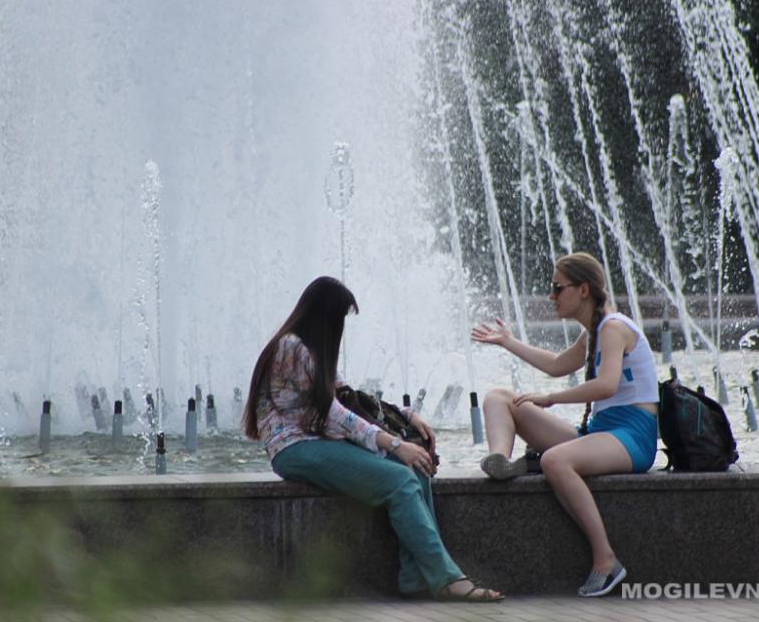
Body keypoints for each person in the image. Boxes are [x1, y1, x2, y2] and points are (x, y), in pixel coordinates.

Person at [243, 276, 503, 603]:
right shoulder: (291, 347)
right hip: (294, 449)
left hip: (317, 442)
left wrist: (407, 416)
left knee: (417, 466)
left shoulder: (310, 350)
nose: (340, 329)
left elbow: (353, 400)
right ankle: (448, 579)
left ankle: (414, 577)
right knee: (398, 478)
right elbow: (335, 414)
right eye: (339, 319)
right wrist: (394, 444)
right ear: (323, 316)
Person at [471, 252, 658, 598]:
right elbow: (557, 364)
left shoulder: (613, 328)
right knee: (500, 398)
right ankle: (501, 460)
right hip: (600, 432)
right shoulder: (594, 332)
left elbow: (607, 385)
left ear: (583, 290)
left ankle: (606, 561)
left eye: (557, 288)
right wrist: (508, 342)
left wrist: (551, 398)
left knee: (554, 460)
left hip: (631, 436)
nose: (551, 296)